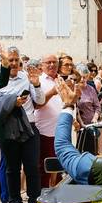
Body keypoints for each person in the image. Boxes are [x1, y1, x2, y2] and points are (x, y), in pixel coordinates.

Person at [0, 48, 45, 203]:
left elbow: (40, 101)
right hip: (8, 130)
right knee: (12, 169)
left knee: (32, 168)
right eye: (10, 60)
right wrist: (11, 103)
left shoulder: (27, 78)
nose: (14, 63)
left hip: (29, 127)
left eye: (16, 60)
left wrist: (36, 85)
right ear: (4, 61)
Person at [34, 54, 63, 188]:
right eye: (48, 62)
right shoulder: (38, 82)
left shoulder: (60, 80)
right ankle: (43, 195)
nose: (52, 65)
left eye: (54, 62)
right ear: (42, 65)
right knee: (45, 167)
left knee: (59, 167)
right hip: (44, 131)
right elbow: (37, 104)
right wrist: (52, 92)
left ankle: (57, 194)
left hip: (61, 131)